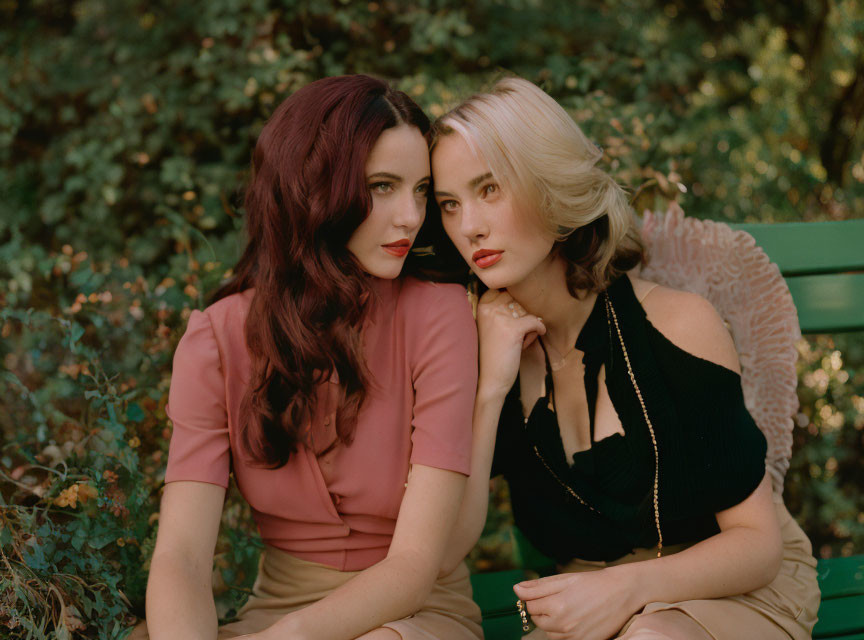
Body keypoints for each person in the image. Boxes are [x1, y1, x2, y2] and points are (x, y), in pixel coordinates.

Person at [430, 76, 820, 640]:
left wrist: (628, 591)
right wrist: (491, 388)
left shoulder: (679, 324)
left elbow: (757, 546)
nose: (469, 226)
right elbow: (446, 553)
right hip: (588, 600)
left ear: (549, 183)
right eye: (449, 204)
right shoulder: (484, 347)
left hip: (729, 589)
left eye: (489, 189)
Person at [130, 75, 483, 640]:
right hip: (275, 613)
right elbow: (182, 559)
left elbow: (415, 569)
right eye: (383, 186)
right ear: (312, 188)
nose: (411, 217)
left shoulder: (438, 314)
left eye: (421, 190)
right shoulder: (217, 340)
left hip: (410, 617)